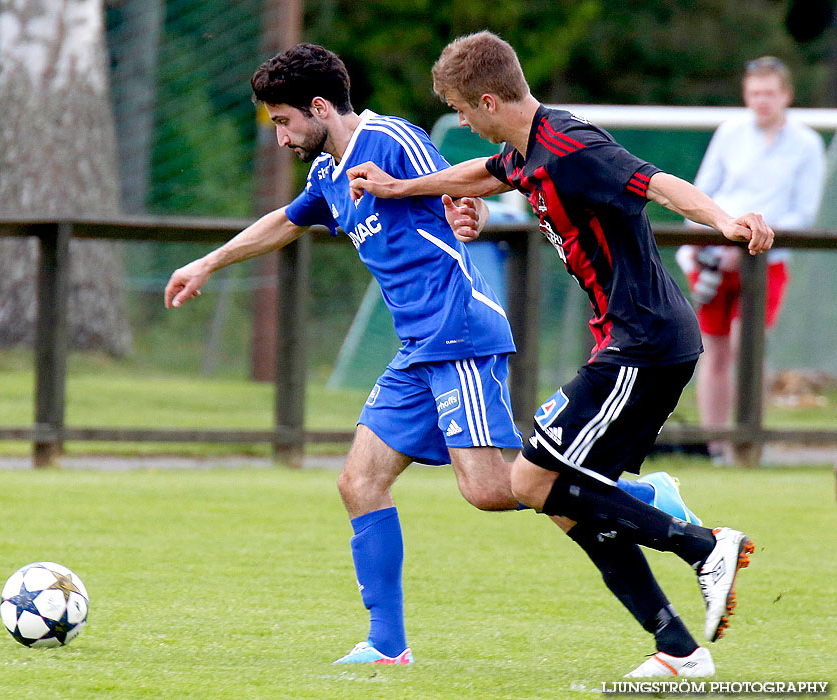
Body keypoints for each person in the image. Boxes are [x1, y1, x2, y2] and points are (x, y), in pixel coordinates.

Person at [164, 42, 699, 669]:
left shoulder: (391, 140)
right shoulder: (327, 177)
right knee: (359, 483)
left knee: (497, 490)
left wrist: (468, 211)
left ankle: (647, 497)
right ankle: (387, 645)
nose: (280, 137)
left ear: (318, 107)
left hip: (459, 333)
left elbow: (468, 181)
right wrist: (208, 261)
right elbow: (285, 221)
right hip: (418, 346)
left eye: (283, 122)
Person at [348, 31, 773, 677]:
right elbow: (478, 176)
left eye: (463, 110)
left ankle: (700, 544)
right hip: (628, 341)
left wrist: (725, 220)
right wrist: (401, 189)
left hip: (646, 341)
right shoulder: (522, 152)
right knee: (564, 500)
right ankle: (679, 652)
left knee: (528, 480)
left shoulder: (572, 147)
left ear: (489, 101)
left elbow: (659, 184)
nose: (461, 121)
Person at [676, 56, 826, 463]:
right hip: (715, 253)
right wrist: (717, 239)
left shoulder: (807, 144)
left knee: (748, 346)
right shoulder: (730, 134)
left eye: (769, 93)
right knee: (714, 349)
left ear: (786, 96)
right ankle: (715, 445)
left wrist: (755, 239)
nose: (762, 101)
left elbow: (802, 213)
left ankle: (749, 442)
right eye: (755, 93)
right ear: (746, 94)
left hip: (766, 260)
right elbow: (704, 191)